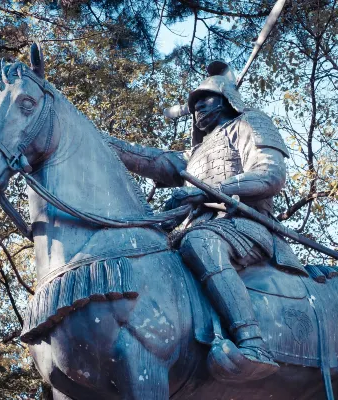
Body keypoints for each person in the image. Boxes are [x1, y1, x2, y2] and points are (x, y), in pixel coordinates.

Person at [107, 61, 308, 381]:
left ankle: (252, 343)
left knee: (200, 242)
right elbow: (149, 159)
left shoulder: (250, 123)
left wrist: (205, 193)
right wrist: (93, 137)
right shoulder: (194, 156)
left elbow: (270, 175)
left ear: (227, 98)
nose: (198, 105)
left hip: (244, 223)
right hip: (195, 227)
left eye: (206, 97)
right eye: (194, 102)